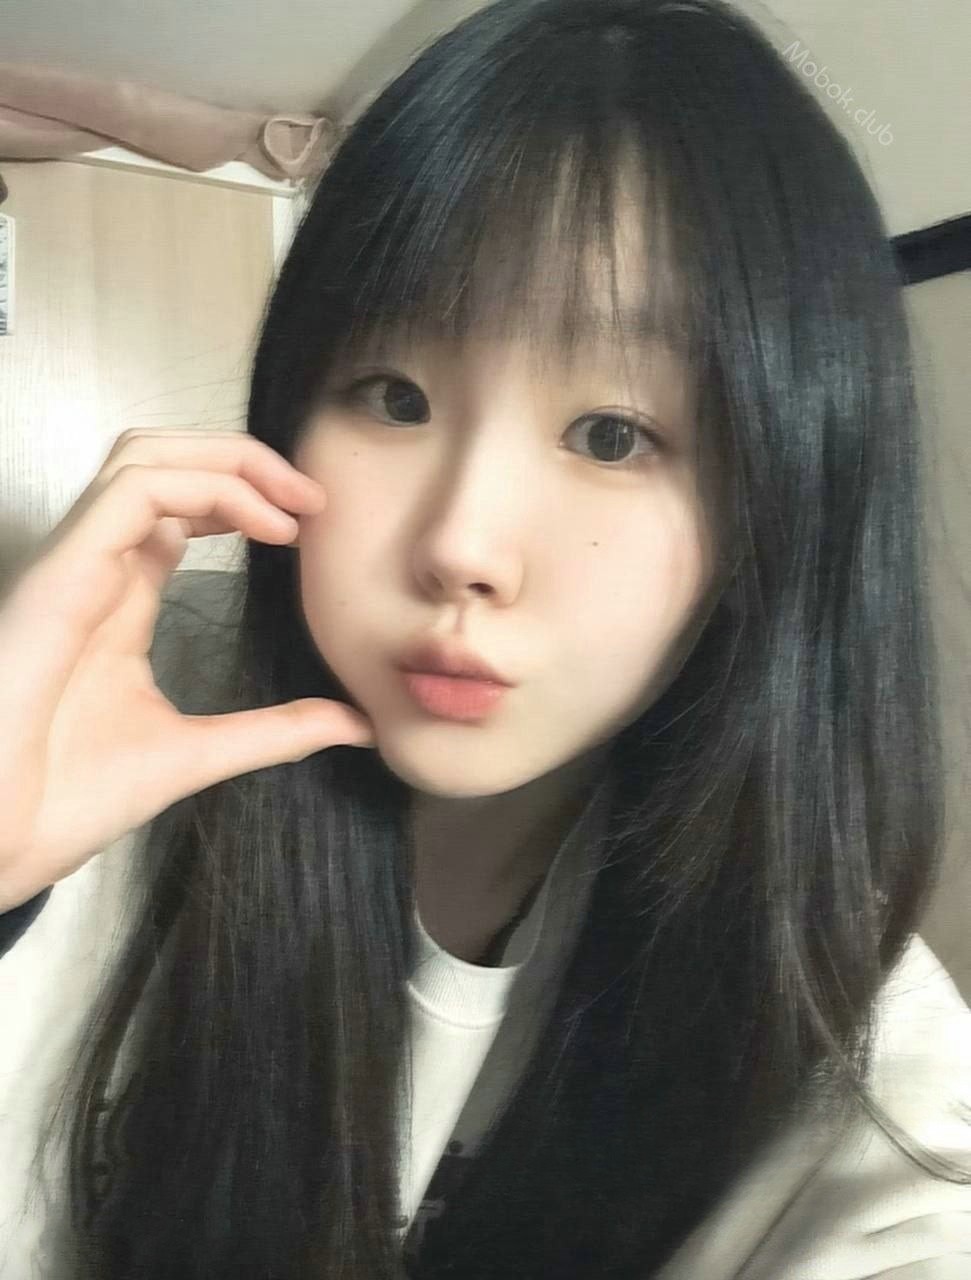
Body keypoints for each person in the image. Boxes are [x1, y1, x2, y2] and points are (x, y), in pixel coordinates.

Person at [1, 0, 969, 1275]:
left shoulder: (866, 1074)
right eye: (392, 396)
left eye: (611, 434)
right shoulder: (124, 724)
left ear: (782, 497)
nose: (461, 543)